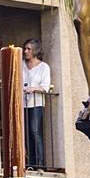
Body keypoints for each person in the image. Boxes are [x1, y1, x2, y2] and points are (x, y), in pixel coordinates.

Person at [21, 38, 51, 169]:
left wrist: (33, 88)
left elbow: (45, 87)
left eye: (28, 49)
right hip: (22, 103)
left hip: (36, 103)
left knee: (35, 131)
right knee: (26, 133)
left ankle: (39, 163)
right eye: (25, 49)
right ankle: (30, 163)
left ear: (35, 51)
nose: (26, 51)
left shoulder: (43, 67)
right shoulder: (21, 64)